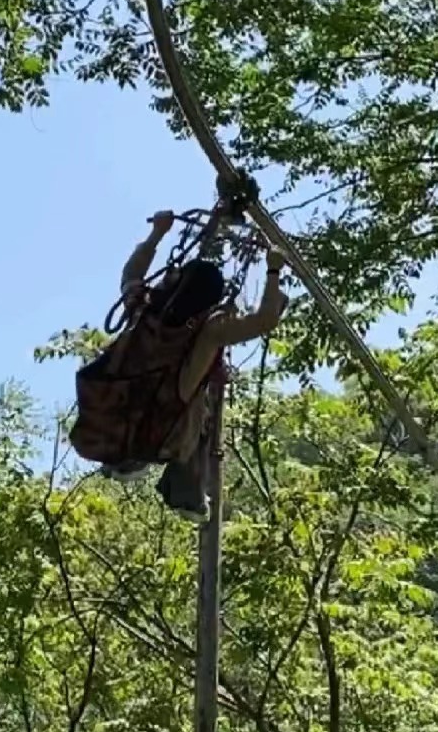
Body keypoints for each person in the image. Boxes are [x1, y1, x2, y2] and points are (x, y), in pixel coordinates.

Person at [72, 210, 288, 520]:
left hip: (120, 414)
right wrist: (273, 271)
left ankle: (125, 460)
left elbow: (131, 273)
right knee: (201, 414)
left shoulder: (144, 307)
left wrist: (157, 234)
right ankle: (187, 496)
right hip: (167, 435)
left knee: (170, 403)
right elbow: (265, 320)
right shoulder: (209, 331)